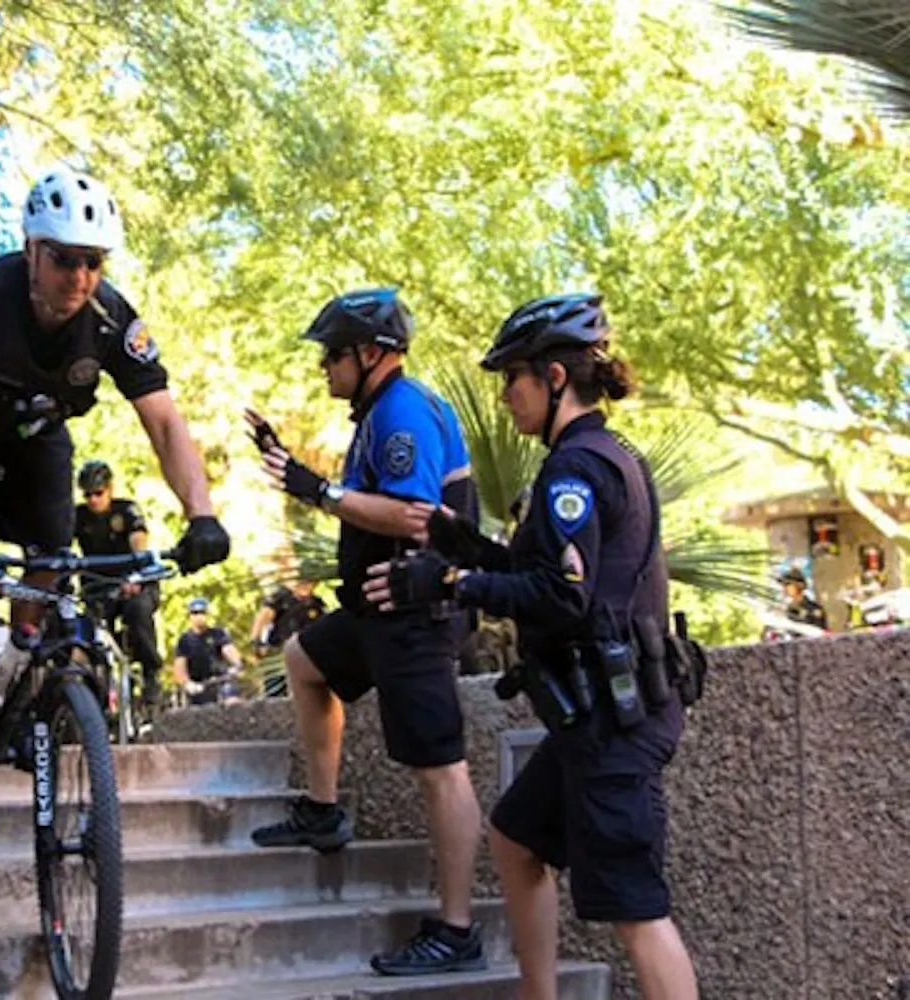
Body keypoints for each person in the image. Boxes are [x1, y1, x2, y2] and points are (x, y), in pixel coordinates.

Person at [364, 292, 699, 1000]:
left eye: (511, 379)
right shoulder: (604, 456)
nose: (506, 397)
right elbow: (550, 571)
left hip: (613, 723)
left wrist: (450, 583)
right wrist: (466, 547)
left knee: (637, 909)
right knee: (517, 837)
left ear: (552, 378)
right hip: (598, 716)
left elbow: (562, 596)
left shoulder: (574, 472)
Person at [0, 166, 230, 760]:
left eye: (93, 262)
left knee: (52, 551)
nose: (80, 278)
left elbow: (164, 420)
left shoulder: (110, 318)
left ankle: (17, 679)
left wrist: (201, 514)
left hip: (35, 428)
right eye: (65, 260)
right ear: (31, 251)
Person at [244, 287, 487, 977]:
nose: (324, 366)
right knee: (303, 659)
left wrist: (311, 487)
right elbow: (368, 504)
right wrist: (294, 472)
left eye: (332, 354)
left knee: (441, 770)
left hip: (417, 616)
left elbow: (416, 516)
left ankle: (457, 929)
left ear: (371, 354)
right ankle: (323, 812)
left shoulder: (404, 410)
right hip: (377, 611)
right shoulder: (380, 412)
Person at [73, 459, 164, 713]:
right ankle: (94, 687)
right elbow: (61, 543)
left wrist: (136, 574)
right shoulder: (78, 516)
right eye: (88, 494)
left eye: (98, 493)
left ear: (110, 489)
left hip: (134, 581)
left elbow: (139, 540)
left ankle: (151, 674)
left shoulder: (127, 511)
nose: (93, 500)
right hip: (98, 586)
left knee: (137, 610)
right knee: (88, 627)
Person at [250, 579, 326, 696]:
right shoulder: (281, 598)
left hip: (306, 651)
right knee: (275, 689)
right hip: (280, 649)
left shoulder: (316, 603)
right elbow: (263, 617)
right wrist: (256, 641)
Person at [172, 598, 243, 705]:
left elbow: (229, 650)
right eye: (195, 613)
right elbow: (180, 667)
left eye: (202, 613)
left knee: (233, 702)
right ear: (190, 616)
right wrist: (187, 684)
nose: (199, 616)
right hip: (198, 687)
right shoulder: (184, 640)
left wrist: (237, 665)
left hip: (219, 681)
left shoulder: (218, 633)